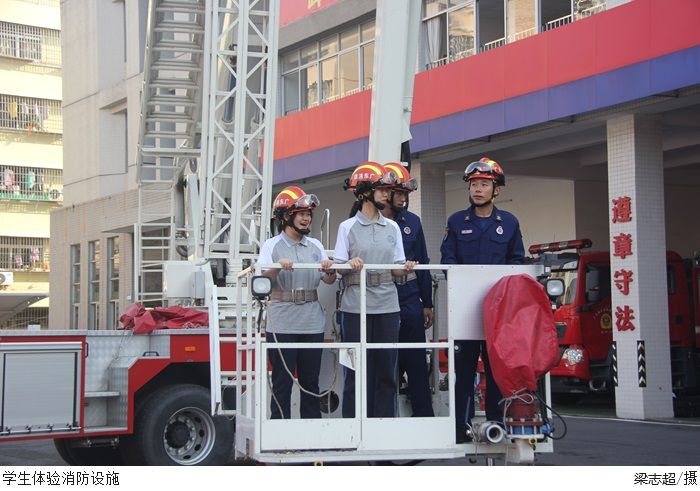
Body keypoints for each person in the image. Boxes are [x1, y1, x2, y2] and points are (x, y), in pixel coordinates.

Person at [440, 157, 525, 443]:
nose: (478, 189)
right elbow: (447, 260)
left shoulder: (509, 223)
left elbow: (517, 261)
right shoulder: (456, 222)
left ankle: (496, 424)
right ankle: (460, 428)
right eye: (474, 184)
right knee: (463, 373)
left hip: (498, 313)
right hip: (465, 311)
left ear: (496, 189)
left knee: (497, 371)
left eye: (484, 185)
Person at [333, 162, 415, 418]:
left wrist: (406, 268)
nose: (387, 194)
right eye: (382, 190)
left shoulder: (393, 227)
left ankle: (383, 427)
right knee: (356, 370)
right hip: (355, 306)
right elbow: (338, 268)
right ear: (365, 192)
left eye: (387, 190)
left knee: (386, 371)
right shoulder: (347, 227)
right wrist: (349, 264)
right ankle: (353, 427)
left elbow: (397, 268)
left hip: (388, 304)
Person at [258, 185, 337, 419]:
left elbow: (329, 280)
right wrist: (276, 266)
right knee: (282, 381)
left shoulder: (316, 246)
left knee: (310, 381)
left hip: (312, 322)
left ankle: (311, 432)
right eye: (301, 213)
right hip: (282, 322)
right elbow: (263, 282)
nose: (306, 218)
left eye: (308, 214)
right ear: (285, 217)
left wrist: (330, 270)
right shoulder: (271, 245)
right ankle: (279, 430)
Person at [380, 162, 434, 417]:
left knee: (416, 360)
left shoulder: (413, 221)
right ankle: (383, 416)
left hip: (410, 297)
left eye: (406, 194)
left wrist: (427, 303)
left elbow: (423, 262)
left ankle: (423, 416)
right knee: (384, 361)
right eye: (399, 193)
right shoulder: (369, 220)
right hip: (380, 295)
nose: (403, 199)